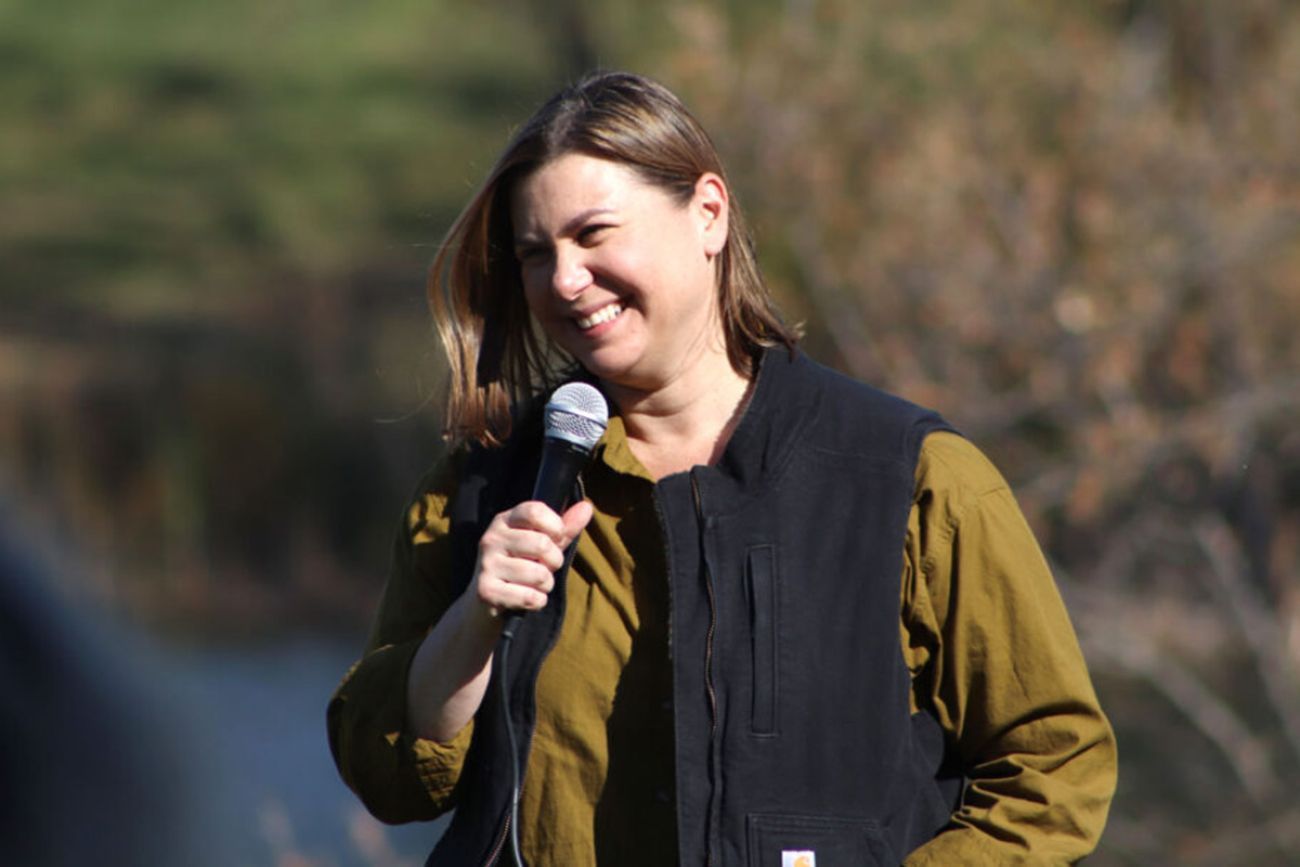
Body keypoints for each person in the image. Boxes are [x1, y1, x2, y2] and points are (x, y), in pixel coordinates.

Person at [327, 70, 1117, 865]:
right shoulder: (479, 492)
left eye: (595, 234)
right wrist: (474, 619)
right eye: (537, 253)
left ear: (708, 212)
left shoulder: (912, 481)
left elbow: (1053, 769)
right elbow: (389, 777)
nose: (565, 280)